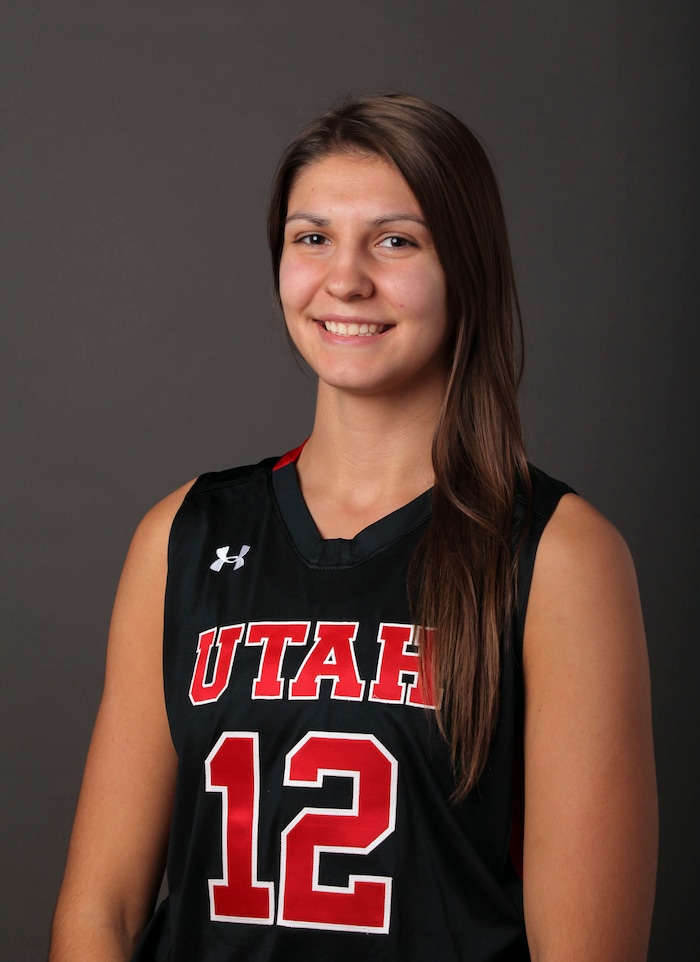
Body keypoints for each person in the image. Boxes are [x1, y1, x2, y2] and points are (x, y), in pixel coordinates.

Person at [48, 93, 657, 961]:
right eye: (312, 237)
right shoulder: (181, 533)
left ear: (466, 267)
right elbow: (98, 913)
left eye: (396, 240)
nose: (345, 279)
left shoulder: (558, 555)